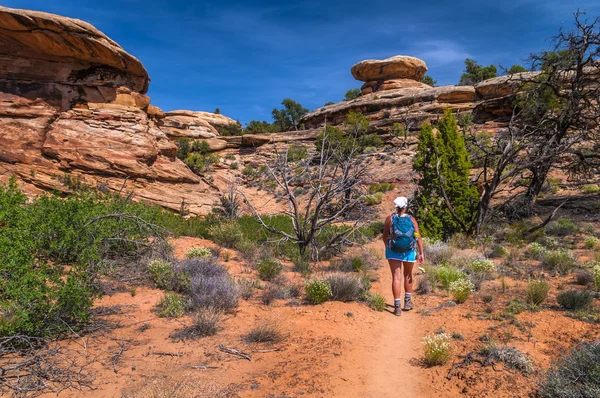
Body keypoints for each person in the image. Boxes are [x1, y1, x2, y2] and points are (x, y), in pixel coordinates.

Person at [382, 196, 424, 316]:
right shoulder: (412, 220)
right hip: (409, 251)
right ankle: (407, 302)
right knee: (408, 275)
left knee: (396, 277)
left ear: (396, 206)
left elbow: (384, 236)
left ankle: (397, 307)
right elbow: (417, 236)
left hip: (393, 251)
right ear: (406, 207)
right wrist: (421, 252)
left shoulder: (389, 219)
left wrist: (388, 247)